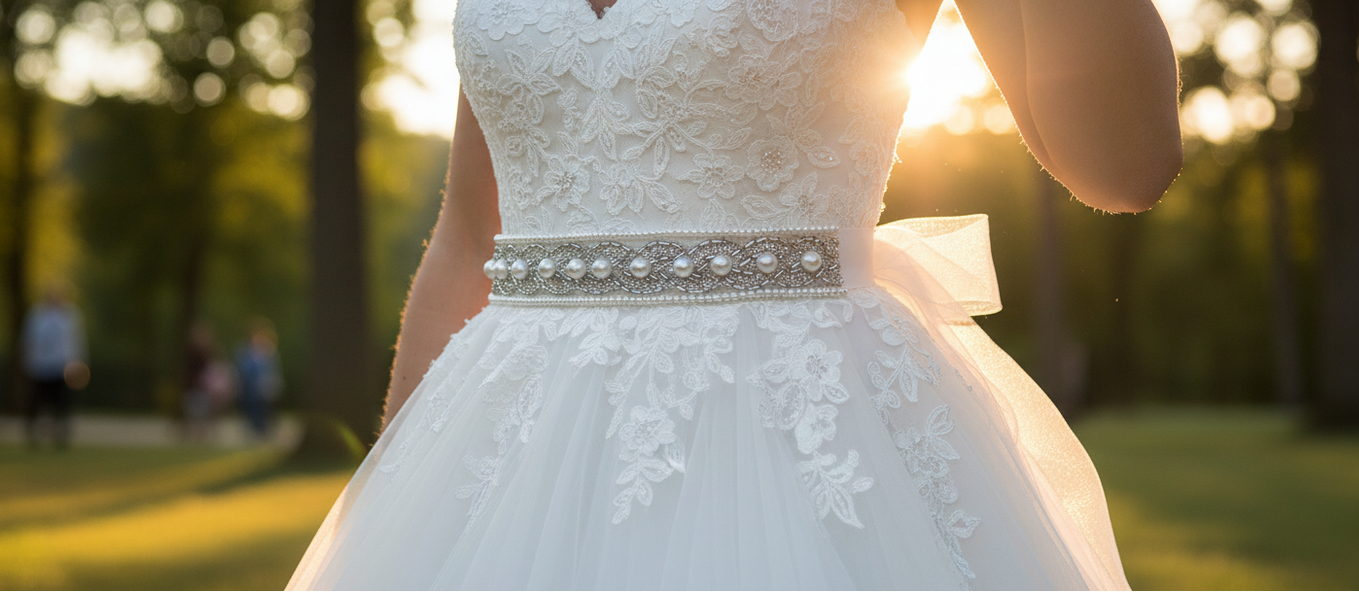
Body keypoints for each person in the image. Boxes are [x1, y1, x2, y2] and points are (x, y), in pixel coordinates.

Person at [290, 0, 1180, 589]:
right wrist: (394, 495)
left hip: (807, 441)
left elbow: (1125, 164)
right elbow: (469, 237)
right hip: (496, 454)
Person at [23, 285, 88, 450]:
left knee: (62, 403)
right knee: (37, 402)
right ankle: (33, 434)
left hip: (62, 367)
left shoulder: (71, 315)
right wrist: (28, 363)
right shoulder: (36, 315)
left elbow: (77, 341)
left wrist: (78, 364)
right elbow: (28, 340)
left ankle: (61, 435)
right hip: (40, 366)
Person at [235, 317, 283, 438]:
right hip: (250, 386)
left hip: (265, 386)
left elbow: (273, 370)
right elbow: (243, 368)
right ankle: (255, 428)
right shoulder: (246, 350)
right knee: (251, 406)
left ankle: (263, 429)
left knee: (265, 408)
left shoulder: (269, 350)